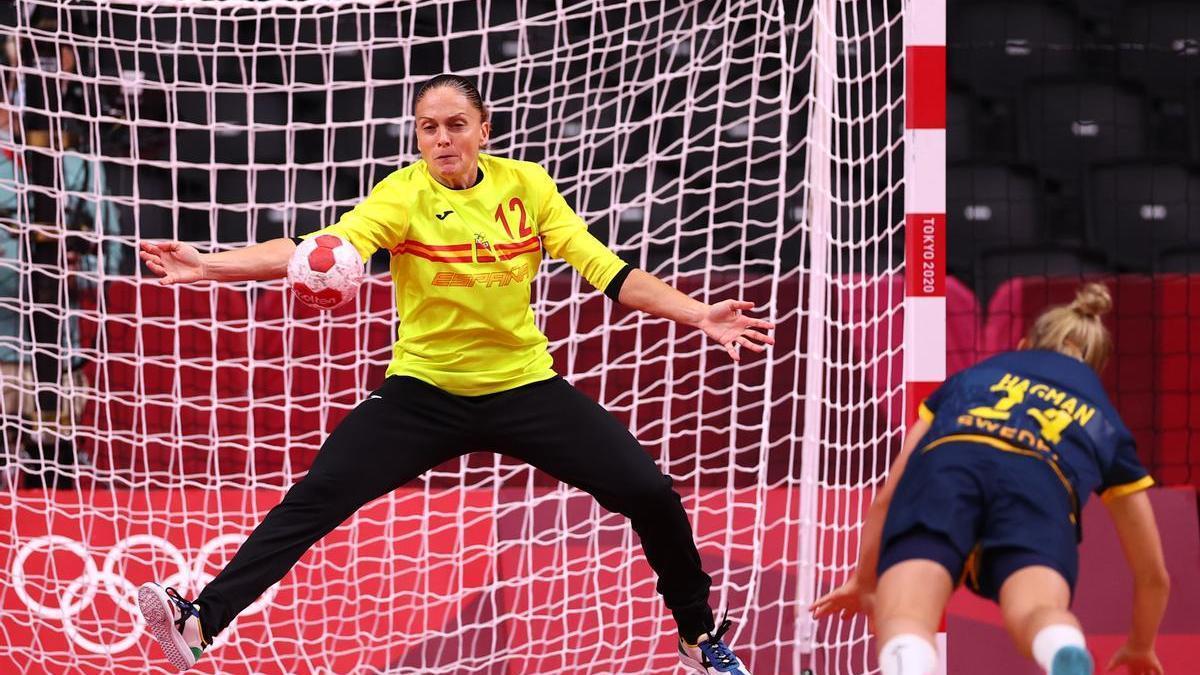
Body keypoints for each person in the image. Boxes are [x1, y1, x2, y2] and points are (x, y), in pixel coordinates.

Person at [135, 74, 769, 674]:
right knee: (318, 496)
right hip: (424, 391)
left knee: (649, 494)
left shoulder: (528, 185)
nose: (442, 139)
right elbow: (313, 249)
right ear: (417, 136)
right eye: (428, 127)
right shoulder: (402, 194)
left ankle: (698, 636)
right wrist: (209, 266)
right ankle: (200, 619)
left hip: (522, 384)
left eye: (456, 125)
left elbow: (607, 271)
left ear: (484, 130)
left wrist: (698, 314)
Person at [810, 283, 1170, 675]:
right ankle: (1063, 648)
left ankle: (910, 662)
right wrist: (1139, 645)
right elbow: (1153, 575)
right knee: (1038, 611)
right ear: (1095, 368)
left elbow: (889, 493)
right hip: (1039, 484)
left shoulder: (973, 378)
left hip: (951, 465)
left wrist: (865, 582)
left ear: (1022, 344)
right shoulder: (1104, 419)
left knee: (907, 616)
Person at [0, 36, 123, 488]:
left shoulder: (79, 164)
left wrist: (76, 269)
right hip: (3, 349)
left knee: (55, 479)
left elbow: (111, 256)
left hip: (62, 351)